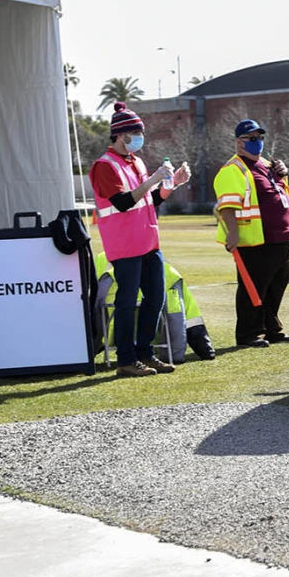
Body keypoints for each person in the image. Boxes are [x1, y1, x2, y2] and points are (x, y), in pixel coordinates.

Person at [88, 102, 191, 377]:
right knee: (126, 300)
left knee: (155, 297)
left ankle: (145, 354)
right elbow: (122, 203)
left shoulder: (136, 162)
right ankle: (126, 359)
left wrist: (174, 183)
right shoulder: (104, 165)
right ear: (120, 135)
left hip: (147, 240)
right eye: (135, 133)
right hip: (124, 244)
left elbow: (149, 200)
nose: (139, 138)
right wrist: (153, 179)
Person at [214, 119, 289, 348]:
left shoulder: (267, 165)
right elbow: (227, 205)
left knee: (276, 286)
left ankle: (272, 329)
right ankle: (249, 333)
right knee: (253, 288)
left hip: (282, 237)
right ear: (238, 142)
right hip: (255, 239)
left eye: (260, 138)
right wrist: (232, 233)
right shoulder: (234, 169)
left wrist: (283, 174)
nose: (257, 142)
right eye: (251, 138)